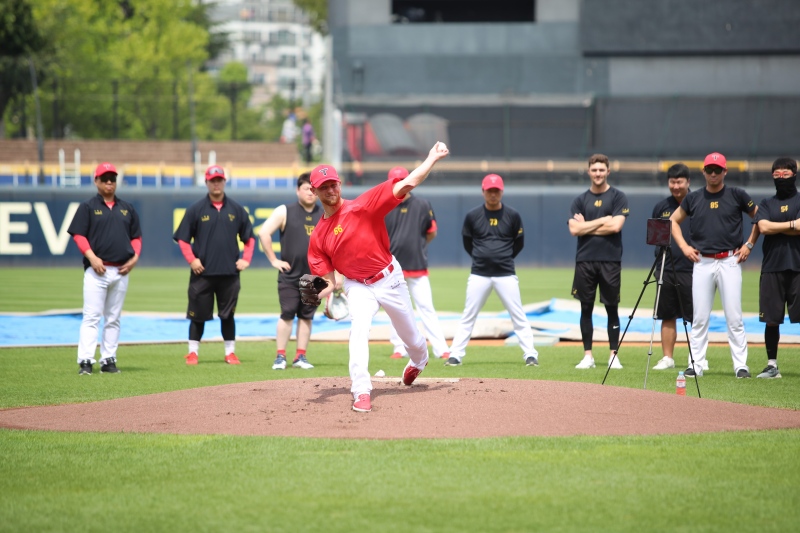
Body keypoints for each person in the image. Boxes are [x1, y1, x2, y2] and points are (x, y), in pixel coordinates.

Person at [307, 142, 450, 413]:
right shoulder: (318, 237)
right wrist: (317, 294)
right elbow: (329, 281)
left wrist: (431, 157)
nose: (331, 189)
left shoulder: (363, 205)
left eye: (333, 183)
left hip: (389, 278)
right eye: (324, 186)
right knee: (358, 330)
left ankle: (419, 361)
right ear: (314, 191)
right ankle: (361, 390)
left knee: (412, 338)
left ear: (340, 184)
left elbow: (408, 183)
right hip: (356, 285)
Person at [669, 152, 759, 378]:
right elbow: (673, 221)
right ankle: (695, 364)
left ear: (725, 171)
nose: (713, 174)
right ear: (703, 172)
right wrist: (684, 247)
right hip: (703, 261)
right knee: (699, 317)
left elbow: (759, 217)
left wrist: (749, 244)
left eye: (717, 170)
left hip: (730, 260)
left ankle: (740, 366)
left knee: (734, 317)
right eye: (709, 170)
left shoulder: (737, 194)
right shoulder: (694, 198)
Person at [444, 174, 538, 367]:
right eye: (489, 191)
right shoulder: (472, 216)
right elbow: (467, 242)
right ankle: (455, 355)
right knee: (468, 315)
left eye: (496, 191)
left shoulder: (512, 215)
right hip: (479, 273)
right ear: (483, 191)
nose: (493, 194)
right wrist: (482, 257)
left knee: (517, 314)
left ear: (502, 191)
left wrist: (503, 257)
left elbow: (519, 243)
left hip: (506, 273)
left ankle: (530, 355)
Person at [173, 165, 255, 366]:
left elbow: (249, 238)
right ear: (207, 182)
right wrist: (192, 259)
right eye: (212, 180)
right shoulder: (196, 209)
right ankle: (193, 352)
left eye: (219, 180)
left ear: (224, 181)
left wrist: (246, 259)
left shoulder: (236, 209)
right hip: (203, 273)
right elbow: (182, 239)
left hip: (229, 273)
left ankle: (230, 353)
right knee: (197, 316)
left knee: (228, 316)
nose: (216, 183)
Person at [67, 162, 141, 375]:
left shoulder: (127, 208)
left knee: (113, 317)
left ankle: (108, 359)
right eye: (105, 178)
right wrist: (92, 257)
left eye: (112, 179)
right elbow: (79, 235)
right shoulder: (88, 207)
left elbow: (136, 237)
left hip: (121, 270)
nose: (109, 182)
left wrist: (134, 258)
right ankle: (86, 361)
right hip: (96, 270)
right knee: (91, 317)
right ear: (96, 181)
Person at [568, 154, 630, 370]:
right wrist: (604, 219)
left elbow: (615, 227)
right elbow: (574, 229)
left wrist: (588, 226)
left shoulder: (618, 197)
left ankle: (614, 355)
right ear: (589, 172)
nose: (598, 173)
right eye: (594, 170)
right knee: (586, 308)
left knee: (611, 308)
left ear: (608, 172)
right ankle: (588, 356)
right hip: (585, 260)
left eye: (601, 170)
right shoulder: (579, 200)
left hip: (610, 260)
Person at [383, 166, 450, 361]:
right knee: (395, 309)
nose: (399, 183)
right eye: (395, 181)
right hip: (392, 266)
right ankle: (399, 347)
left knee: (426, 307)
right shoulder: (384, 205)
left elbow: (431, 232)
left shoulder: (422, 204)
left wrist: (418, 246)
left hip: (417, 264)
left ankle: (441, 349)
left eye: (402, 180)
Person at [258, 172, 322, 371]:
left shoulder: (325, 213)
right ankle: (280, 356)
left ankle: (301, 356)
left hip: (314, 277)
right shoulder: (285, 211)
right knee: (287, 313)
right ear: (298, 190)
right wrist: (273, 260)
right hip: (290, 275)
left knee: (306, 316)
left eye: (313, 189)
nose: (310, 193)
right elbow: (263, 232)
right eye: (306, 188)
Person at [754, 157, 800, 379]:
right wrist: (792, 225)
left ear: (794, 175)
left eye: (785, 175)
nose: (781, 179)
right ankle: (772, 365)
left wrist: (775, 227)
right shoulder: (766, 203)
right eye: (777, 175)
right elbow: (762, 226)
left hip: (798, 266)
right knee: (772, 319)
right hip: (772, 266)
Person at [650, 163, 695, 370]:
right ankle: (667, 358)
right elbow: (655, 238)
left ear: (688, 182)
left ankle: (696, 358)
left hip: (693, 268)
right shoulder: (661, 206)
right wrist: (659, 264)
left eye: (680, 182)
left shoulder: (698, 202)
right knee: (667, 314)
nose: (676, 186)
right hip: (666, 269)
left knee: (695, 316)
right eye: (672, 182)